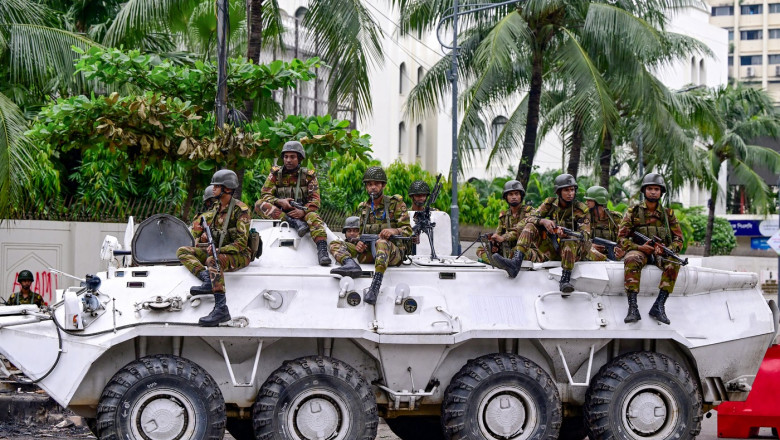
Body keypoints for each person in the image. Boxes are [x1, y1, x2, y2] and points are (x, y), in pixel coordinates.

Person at [177, 169, 251, 326]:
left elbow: (241, 243)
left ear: (228, 189)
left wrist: (219, 250)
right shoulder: (217, 208)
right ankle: (206, 279)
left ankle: (221, 308)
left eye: (217, 186)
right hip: (218, 250)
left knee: (213, 260)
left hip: (239, 254)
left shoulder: (241, 210)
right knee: (183, 251)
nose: (213, 189)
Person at [492, 173, 590, 293]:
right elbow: (529, 219)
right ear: (558, 192)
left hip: (575, 251)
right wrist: (543, 221)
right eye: (566, 190)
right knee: (530, 226)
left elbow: (586, 235)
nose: (570, 193)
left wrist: (567, 234)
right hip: (553, 248)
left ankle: (565, 280)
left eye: (572, 190)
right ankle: (515, 264)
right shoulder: (549, 204)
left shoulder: (581, 209)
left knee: (569, 241)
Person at [329, 166, 413, 305]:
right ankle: (349, 264)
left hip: (392, 253)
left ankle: (375, 286)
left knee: (382, 242)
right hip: (369, 253)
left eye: (376, 184)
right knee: (334, 243)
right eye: (369, 184)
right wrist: (359, 244)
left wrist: (394, 231)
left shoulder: (395, 203)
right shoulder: (364, 207)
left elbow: (408, 231)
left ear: (383, 185)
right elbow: (362, 235)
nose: (372, 187)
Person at [618, 173, 683, 325]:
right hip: (640, 250)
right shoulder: (633, 212)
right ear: (644, 190)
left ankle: (659, 305)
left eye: (656, 189)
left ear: (661, 192)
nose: (653, 192)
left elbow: (679, 239)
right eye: (650, 188)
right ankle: (632, 307)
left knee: (674, 260)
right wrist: (639, 247)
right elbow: (621, 239)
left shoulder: (668, 215)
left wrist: (667, 248)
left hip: (661, 252)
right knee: (631, 258)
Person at [254, 141, 331, 266]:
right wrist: (279, 201)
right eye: (286, 157)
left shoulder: (308, 176)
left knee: (314, 218)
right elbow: (265, 195)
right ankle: (294, 222)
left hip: (302, 212)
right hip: (281, 212)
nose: (288, 160)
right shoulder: (275, 174)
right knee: (259, 204)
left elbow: (315, 201)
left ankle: (322, 251)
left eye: (292, 157)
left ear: (299, 158)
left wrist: (303, 211)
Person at [476, 180, 534, 264]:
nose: (514, 197)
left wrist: (503, 238)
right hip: (508, 249)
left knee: (515, 252)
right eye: (510, 194)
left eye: (517, 194)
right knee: (481, 249)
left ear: (521, 196)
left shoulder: (529, 212)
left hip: (526, 249)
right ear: (506, 197)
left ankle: (500, 262)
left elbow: (517, 231)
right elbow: (498, 234)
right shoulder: (504, 216)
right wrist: (494, 241)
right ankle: (495, 263)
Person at [584, 185, 625, 261]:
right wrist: (590, 246)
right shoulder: (584, 217)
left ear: (598, 201)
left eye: (589, 200)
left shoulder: (615, 218)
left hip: (613, 256)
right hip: (590, 258)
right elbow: (580, 238)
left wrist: (621, 250)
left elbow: (624, 237)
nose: (586, 203)